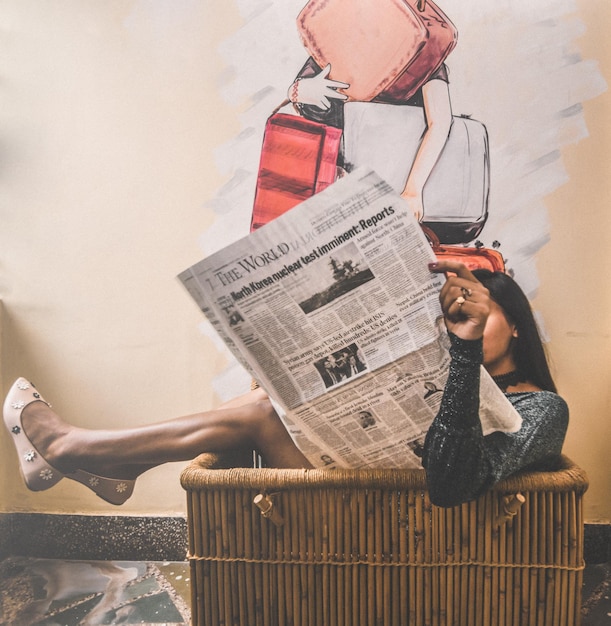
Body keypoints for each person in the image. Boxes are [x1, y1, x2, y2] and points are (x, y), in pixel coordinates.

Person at [2, 262, 568, 506]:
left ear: (514, 324)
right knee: (266, 401)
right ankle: (105, 461)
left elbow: (452, 484)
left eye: (477, 311)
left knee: (258, 414)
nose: (460, 320)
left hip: (402, 513)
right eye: (451, 315)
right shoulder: (441, 371)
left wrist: (464, 353)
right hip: (338, 485)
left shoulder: (544, 407)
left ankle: (80, 450)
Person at [288, 61, 453, 222]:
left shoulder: (426, 56)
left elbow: (440, 123)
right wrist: (295, 92)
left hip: (397, 191)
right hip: (334, 192)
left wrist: (413, 190)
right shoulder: (329, 52)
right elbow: (292, 119)